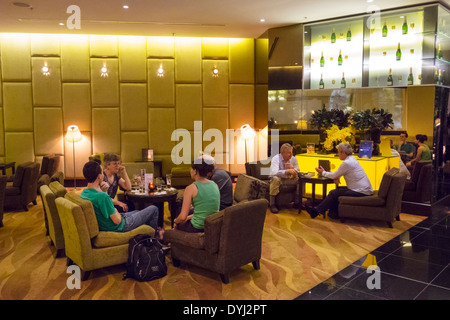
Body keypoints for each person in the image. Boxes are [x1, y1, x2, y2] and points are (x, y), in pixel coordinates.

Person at [80, 161, 161, 234]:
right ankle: (153, 241)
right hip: (119, 226)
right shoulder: (102, 196)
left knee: (137, 211)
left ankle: (145, 236)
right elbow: (117, 220)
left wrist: (103, 191)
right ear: (98, 176)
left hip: (108, 223)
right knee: (153, 209)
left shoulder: (83, 193)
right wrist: (115, 210)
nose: (102, 175)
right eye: (101, 173)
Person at [305, 143, 373, 219]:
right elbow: (339, 174)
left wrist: (322, 172)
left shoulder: (347, 163)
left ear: (343, 152)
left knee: (334, 193)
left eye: (338, 152)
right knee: (338, 190)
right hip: (362, 189)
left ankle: (316, 212)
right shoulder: (352, 159)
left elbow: (334, 175)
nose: (337, 154)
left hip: (361, 191)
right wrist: (337, 176)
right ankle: (333, 213)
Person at [172, 158, 220, 233]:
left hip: (197, 227)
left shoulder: (190, 188)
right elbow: (208, 211)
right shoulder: (215, 185)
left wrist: (175, 222)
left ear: (195, 171)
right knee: (189, 212)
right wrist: (189, 217)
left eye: (191, 168)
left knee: (177, 224)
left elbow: (182, 217)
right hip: (212, 226)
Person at [269, 143, 300, 213]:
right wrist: (286, 171)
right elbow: (274, 172)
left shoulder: (293, 159)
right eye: (289, 153)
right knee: (275, 178)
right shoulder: (276, 159)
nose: (291, 155)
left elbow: (297, 169)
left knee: (300, 180)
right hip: (279, 179)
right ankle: (272, 204)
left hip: (289, 179)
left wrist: (295, 170)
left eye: (292, 152)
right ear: (283, 153)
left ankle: (297, 202)